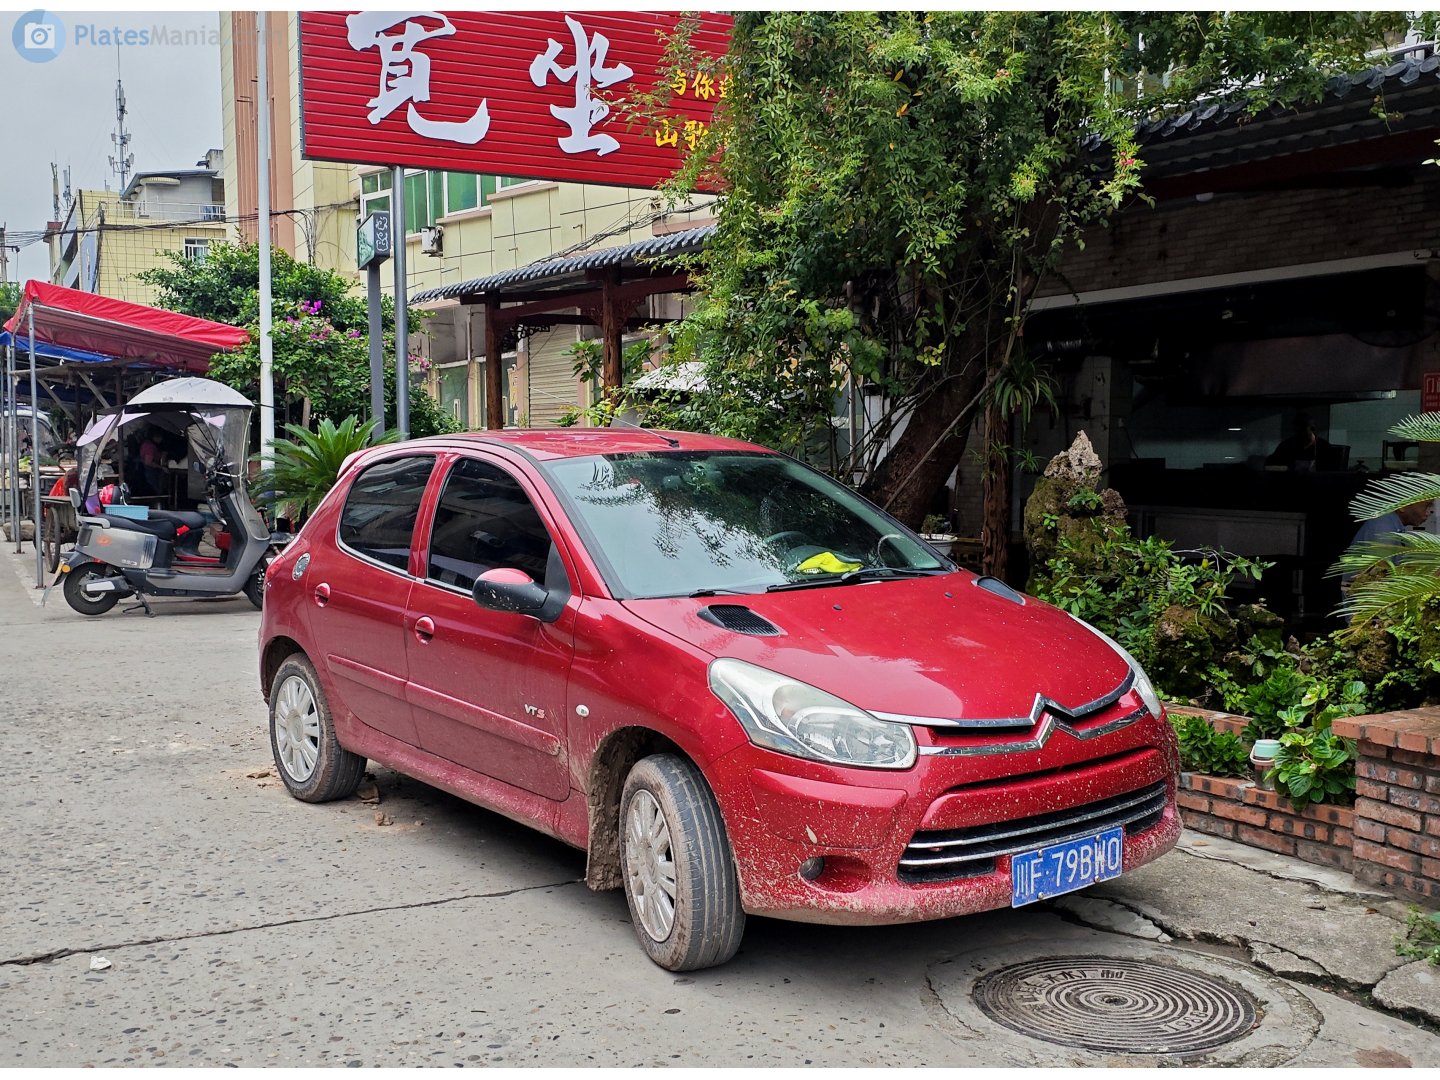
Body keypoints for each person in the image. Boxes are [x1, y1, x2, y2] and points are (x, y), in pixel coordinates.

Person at [1343, 500, 1432, 584]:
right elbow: (1380, 575)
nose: (1428, 513)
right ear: (1403, 506)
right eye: (1427, 506)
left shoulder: (1391, 524)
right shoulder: (1384, 527)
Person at [1266, 414, 1332, 472]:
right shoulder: (1286, 446)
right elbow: (1269, 465)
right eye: (1297, 430)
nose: (1300, 433)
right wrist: (1289, 468)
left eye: (1303, 429)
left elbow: (1332, 471)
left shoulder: (1324, 447)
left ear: (1313, 428)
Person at [139, 430, 167, 497]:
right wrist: (162, 467)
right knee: (154, 489)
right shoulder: (150, 446)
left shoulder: (147, 444)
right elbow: (148, 462)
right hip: (150, 470)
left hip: (149, 469)